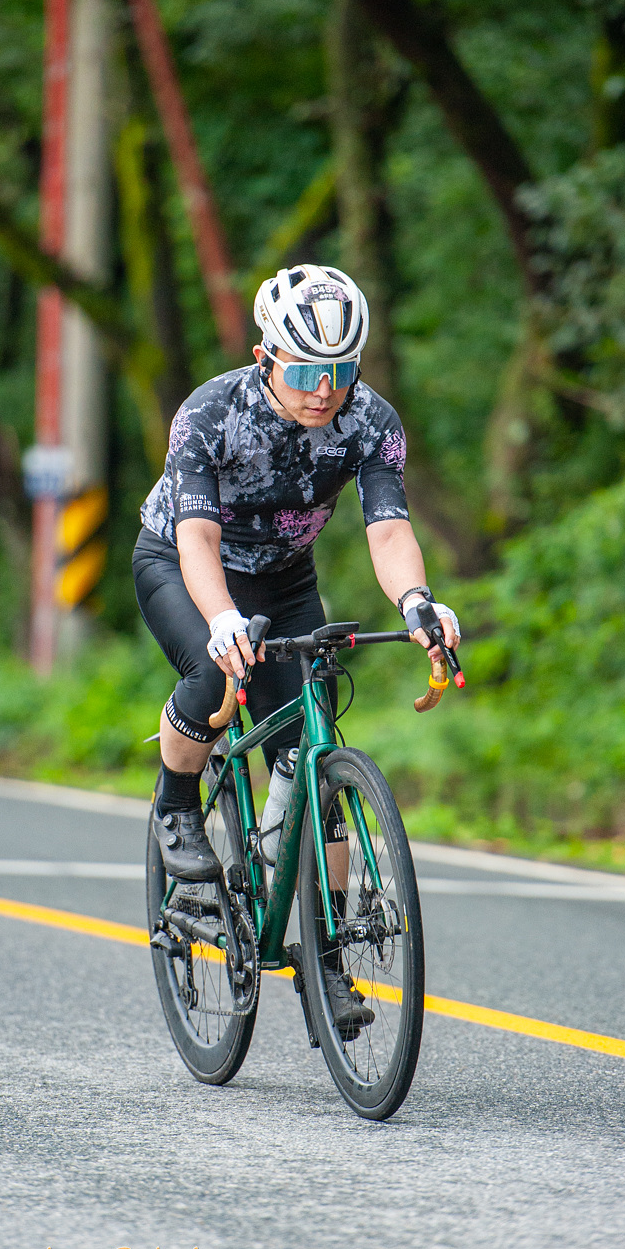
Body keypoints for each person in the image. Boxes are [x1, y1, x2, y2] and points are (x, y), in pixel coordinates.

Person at [133, 264, 460, 1013]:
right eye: (307, 371)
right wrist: (221, 620)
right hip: (184, 565)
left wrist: (418, 602)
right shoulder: (210, 414)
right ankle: (178, 806)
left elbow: (389, 529)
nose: (324, 389)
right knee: (213, 679)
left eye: (341, 371)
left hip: (283, 582)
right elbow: (195, 537)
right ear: (265, 357)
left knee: (312, 756)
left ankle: (326, 957)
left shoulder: (370, 420)